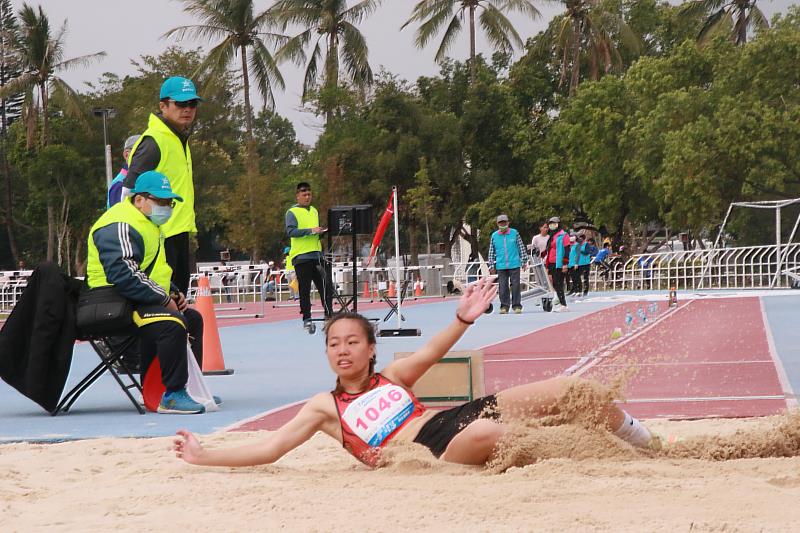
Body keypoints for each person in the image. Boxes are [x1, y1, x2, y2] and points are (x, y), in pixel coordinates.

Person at [172, 277, 657, 468]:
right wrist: (203, 454)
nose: (342, 352)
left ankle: (648, 446)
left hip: (453, 419)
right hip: (426, 453)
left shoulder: (395, 376)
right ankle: (577, 449)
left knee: (571, 390)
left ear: (369, 349)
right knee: (491, 433)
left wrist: (465, 317)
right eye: (333, 344)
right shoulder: (325, 407)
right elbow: (270, 447)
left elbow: (434, 348)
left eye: (351, 343)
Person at [86, 170, 206, 414]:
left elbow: (151, 270)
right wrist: (163, 299)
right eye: (160, 201)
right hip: (111, 302)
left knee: (192, 319)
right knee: (171, 322)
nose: (167, 207)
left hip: (132, 299)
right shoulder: (120, 222)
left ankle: (188, 389)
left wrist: (172, 292)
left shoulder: (148, 224)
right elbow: (124, 274)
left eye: (169, 202)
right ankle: (172, 395)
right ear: (139, 200)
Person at [123, 76, 203, 295]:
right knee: (164, 307)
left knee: (180, 304)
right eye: (180, 103)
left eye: (192, 103)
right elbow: (128, 193)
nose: (187, 109)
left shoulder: (178, 138)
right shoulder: (153, 141)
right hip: (159, 239)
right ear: (163, 106)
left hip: (178, 233)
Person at [285, 182, 333, 331]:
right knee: (305, 289)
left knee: (326, 286)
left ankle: (329, 315)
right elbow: (291, 232)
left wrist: (321, 232)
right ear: (297, 196)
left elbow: (315, 231)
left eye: (309, 194)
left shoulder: (314, 210)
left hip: (317, 255)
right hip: (302, 256)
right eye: (304, 195)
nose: (307, 197)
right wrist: (310, 231)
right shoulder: (291, 212)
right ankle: (307, 318)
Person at [487, 214, 528, 314]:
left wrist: (524, 261)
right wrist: (491, 265)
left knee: (515, 285)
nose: (503, 224)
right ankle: (504, 306)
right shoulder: (494, 236)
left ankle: (516, 305)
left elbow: (521, 247)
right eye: (501, 223)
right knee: (503, 286)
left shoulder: (514, 233)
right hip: (501, 265)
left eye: (504, 222)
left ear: (508, 223)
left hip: (514, 264)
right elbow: (491, 251)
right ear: (497, 224)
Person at [545, 216, 571, 312]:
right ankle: (559, 302)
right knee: (554, 283)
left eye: (554, 223)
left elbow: (567, 250)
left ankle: (563, 304)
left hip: (559, 262)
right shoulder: (552, 235)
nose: (552, 225)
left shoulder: (564, 235)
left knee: (559, 282)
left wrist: (565, 263)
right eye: (551, 224)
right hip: (551, 261)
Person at [107, 135, 140, 209]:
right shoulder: (119, 185)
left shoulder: (138, 178)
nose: (145, 157)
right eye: (140, 152)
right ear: (126, 155)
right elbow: (120, 217)